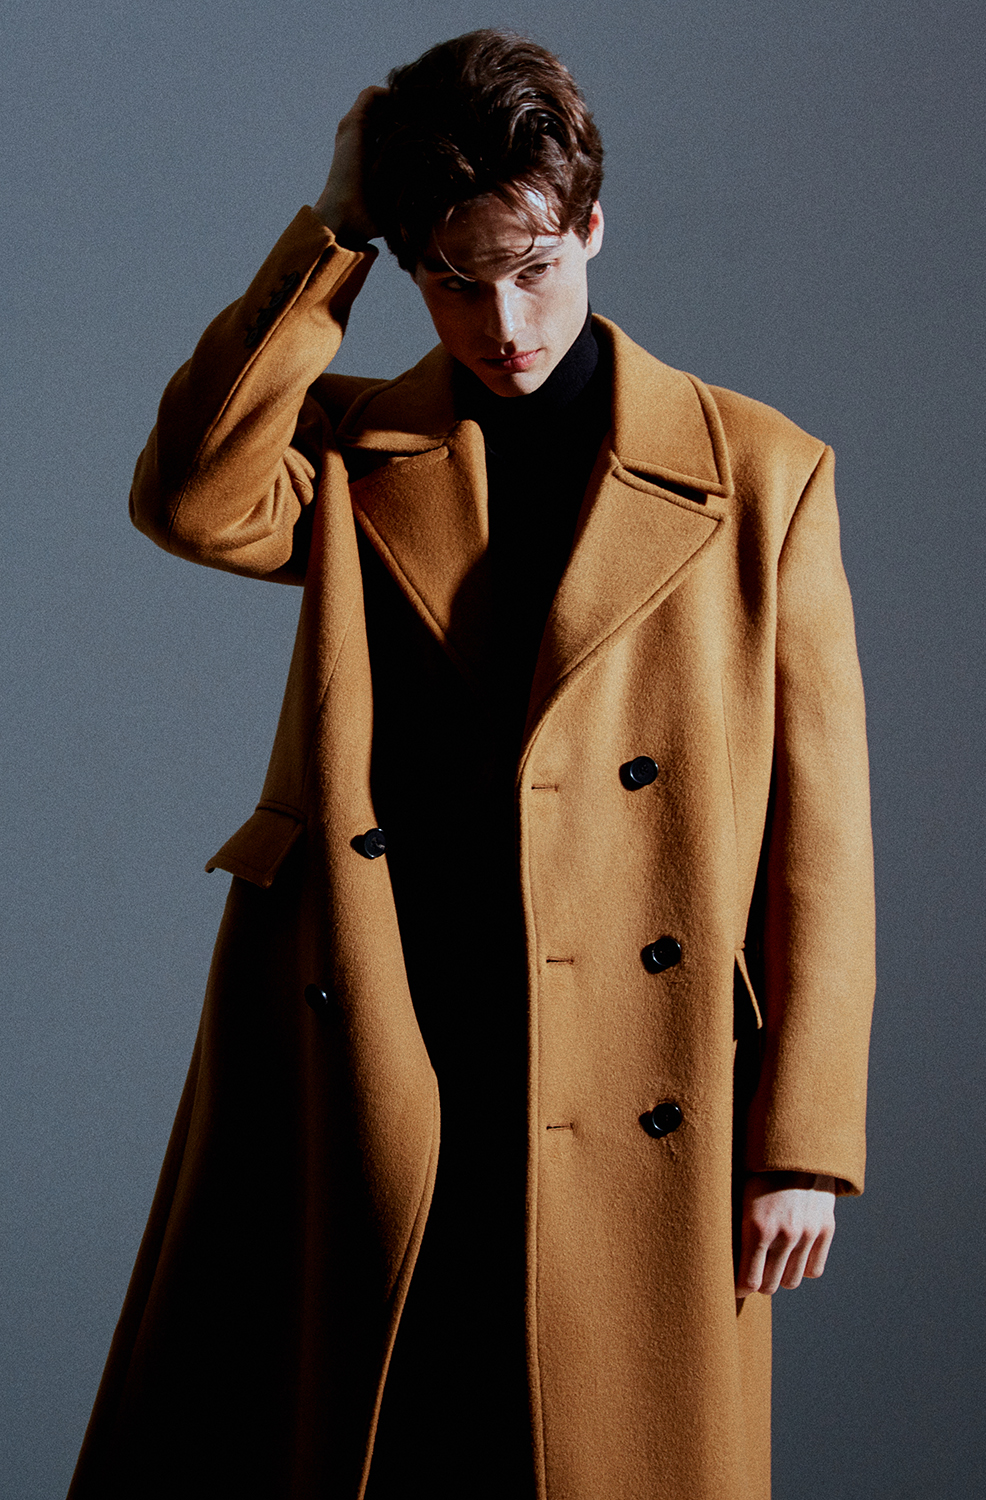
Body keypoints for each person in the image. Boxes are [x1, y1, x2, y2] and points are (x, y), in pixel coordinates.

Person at [68, 29, 875, 1500]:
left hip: (637, 1063)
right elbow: (190, 498)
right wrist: (330, 233)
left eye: (533, 269)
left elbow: (823, 838)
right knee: (390, 1439)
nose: (502, 322)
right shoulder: (356, 451)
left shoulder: (762, 474)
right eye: (451, 280)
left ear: (593, 227)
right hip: (392, 1033)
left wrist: (804, 1140)